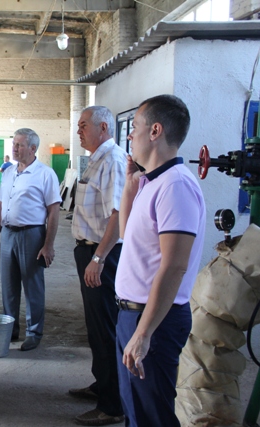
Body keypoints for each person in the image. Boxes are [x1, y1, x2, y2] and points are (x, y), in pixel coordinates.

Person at [115, 94, 205, 426]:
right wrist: (130, 186)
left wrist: (144, 333)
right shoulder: (152, 182)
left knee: (151, 416)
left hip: (154, 319)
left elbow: (175, 265)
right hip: (133, 314)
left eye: (135, 127)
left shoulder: (175, 186)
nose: (130, 135)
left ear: (155, 131)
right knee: (136, 411)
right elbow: (127, 235)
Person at [69, 106, 126, 426]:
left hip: (103, 255)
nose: (79, 131)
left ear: (103, 127)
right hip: (89, 251)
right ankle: (101, 385)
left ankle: (112, 405)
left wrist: (98, 258)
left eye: (83, 126)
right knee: (95, 327)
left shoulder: (113, 161)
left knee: (105, 329)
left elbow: (118, 216)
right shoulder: (97, 159)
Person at [0, 128, 61, 351]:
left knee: (32, 285)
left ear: (32, 148)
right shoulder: (8, 172)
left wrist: (48, 245)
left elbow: (54, 211)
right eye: (14, 144)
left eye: (19, 145)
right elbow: (1, 204)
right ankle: (10, 329)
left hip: (32, 235)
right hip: (8, 234)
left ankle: (34, 332)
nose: (14, 148)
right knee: (8, 287)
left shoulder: (45, 174)